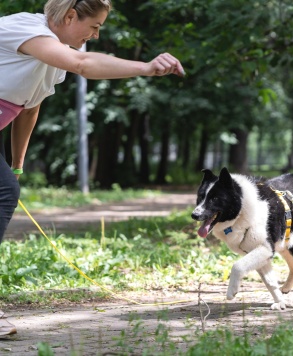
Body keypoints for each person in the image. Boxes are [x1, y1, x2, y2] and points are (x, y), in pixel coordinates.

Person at [0, 0, 185, 336]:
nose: (96, 35)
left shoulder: (52, 58)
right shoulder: (28, 28)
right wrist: (145, 67)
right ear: (70, 16)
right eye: (95, 27)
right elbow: (84, 64)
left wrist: (17, 165)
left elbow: (28, 111)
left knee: (5, 189)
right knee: (3, 193)